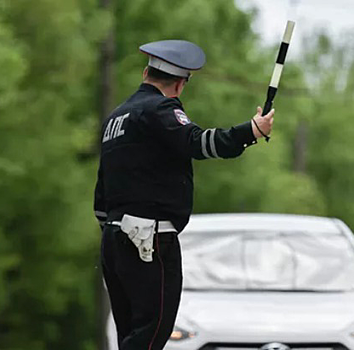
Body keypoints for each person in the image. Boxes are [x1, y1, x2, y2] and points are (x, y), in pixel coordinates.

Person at [94, 39, 274, 350]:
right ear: (180, 85)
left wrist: (115, 237)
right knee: (151, 333)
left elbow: (102, 191)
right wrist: (251, 131)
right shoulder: (160, 109)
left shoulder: (116, 118)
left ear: (144, 73)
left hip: (113, 240)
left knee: (130, 336)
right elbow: (198, 142)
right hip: (149, 240)